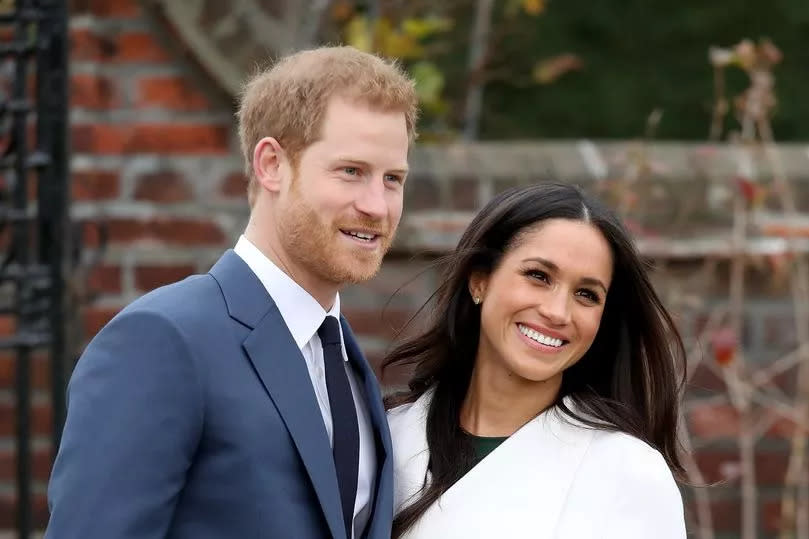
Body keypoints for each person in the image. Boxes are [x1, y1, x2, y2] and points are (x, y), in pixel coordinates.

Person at [46, 46, 418, 539]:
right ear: (271, 165)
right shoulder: (163, 339)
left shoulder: (344, 360)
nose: (377, 205)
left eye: (392, 179)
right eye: (351, 171)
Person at [384, 183, 688, 538]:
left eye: (586, 295)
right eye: (538, 276)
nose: (558, 312)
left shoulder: (627, 473)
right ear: (480, 280)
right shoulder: (387, 437)